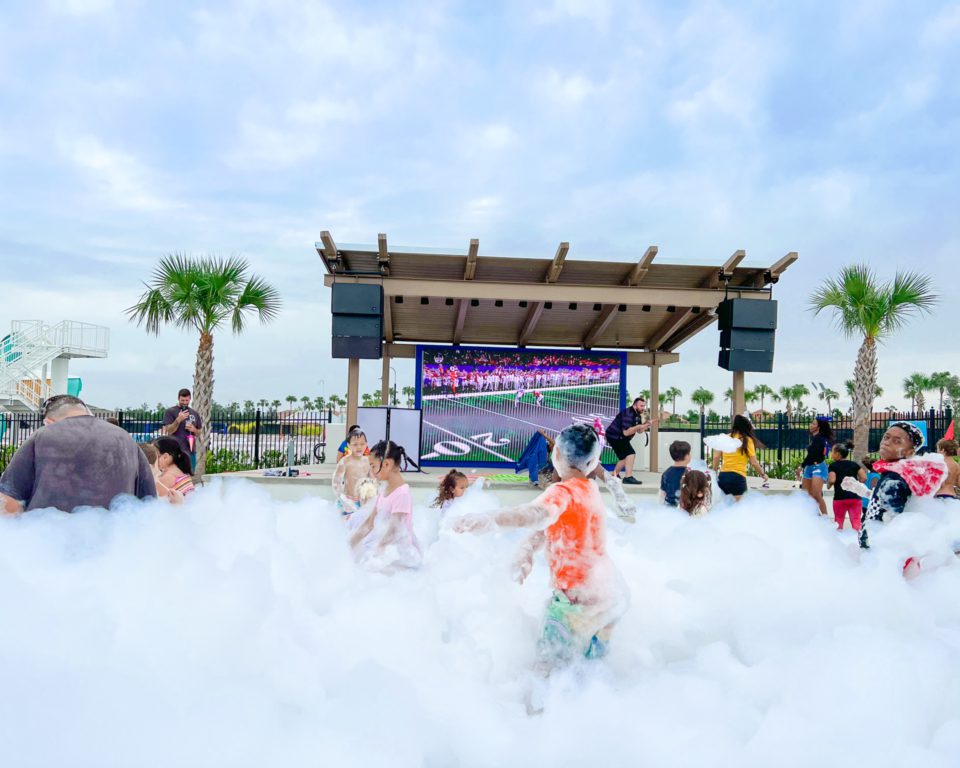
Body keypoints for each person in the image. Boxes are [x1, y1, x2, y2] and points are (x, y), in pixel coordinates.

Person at [455, 424, 628, 678]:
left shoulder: (562, 491)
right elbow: (554, 524)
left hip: (574, 603)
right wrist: (526, 551)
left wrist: (488, 520)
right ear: (592, 463)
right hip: (609, 598)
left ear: (555, 454)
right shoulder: (588, 490)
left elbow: (536, 515)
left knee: (544, 675)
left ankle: (534, 714)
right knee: (589, 674)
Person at [0, 395, 156, 513]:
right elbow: (149, 502)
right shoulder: (125, 438)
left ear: (48, 422)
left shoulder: (42, 436)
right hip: (112, 547)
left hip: (50, 544)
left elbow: (9, 501)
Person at [842, 422, 947, 549]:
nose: (887, 442)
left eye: (897, 441)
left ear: (909, 452)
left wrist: (873, 544)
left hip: (879, 549)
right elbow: (883, 502)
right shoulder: (895, 474)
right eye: (886, 437)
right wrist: (862, 491)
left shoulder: (894, 479)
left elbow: (892, 520)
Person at [348, 440, 421, 570]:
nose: (371, 471)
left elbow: (394, 531)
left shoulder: (402, 494)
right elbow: (369, 524)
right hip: (388, 553)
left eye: (373, 466)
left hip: (401, 557)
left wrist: (376, 555)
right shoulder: (384, 490)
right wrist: (348, 546)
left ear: (386, 464)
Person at [711, 414, 768, 501]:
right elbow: (753, 462)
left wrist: (714, 473)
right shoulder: (747, 440)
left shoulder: (725, 438)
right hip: (738, 478)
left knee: (723, 508)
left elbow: (716, 457)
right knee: (739, 510)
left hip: (723, 477)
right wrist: (763, 474)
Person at [605, 397, 656, 485]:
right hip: (615, 436)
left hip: (619, 436)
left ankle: (614, 475)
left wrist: (646, 425)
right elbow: (626, 432)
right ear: (635, 405)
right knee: (630, 453)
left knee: (625, 457)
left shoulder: (637, 415)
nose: (643, 408)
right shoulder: (628, 414)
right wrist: (639, 426)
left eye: (644, 406)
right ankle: (628, 477)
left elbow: (639, 431)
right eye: (641, 406)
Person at [333, 429, 374, 516]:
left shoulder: (368, 462)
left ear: (366, 444)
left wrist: (371, 499)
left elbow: (373, 482)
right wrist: (344, 501)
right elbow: (336, 484)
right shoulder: (345, 461)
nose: (359, 447)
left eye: (362, 444)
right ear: (348, 445)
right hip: (347, 501)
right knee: (345, 527)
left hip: (362, 502)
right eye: (355, 444)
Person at [161, 388, 202, 474]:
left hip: (190, 451)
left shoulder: (194, 413)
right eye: (182, 400)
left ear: (190, 399)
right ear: (178, 398)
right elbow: (169, 430)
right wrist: (178, 420)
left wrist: (194, 429)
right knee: (175, 476)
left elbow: (199, 433)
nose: (184, 402)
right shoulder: (170, 412)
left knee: (189, 476)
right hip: (175, 452)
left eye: (186, 400)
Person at [827, 441, 865, 531]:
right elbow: (864, 477)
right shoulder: (854, 464)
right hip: (855, 498)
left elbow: (832, 479)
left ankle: (839, 542)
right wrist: (856, 484)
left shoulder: (833, 466)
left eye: (832, 452)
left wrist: (828, 485)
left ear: (838, 454)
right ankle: (857, 541)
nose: (831, 454)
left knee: (838, 521)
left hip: (840, 498)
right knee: (856, 521)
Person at [800, 417, 834, 516]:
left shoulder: (820, 438)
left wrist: (801, 466)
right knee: (807, 495)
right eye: (811, 423)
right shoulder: (815, 438)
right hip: (809, 467)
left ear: (819, 427)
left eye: (814, 424)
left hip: (818, 467)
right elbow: (811, 455)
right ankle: (815, 517)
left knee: (816, 495)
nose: (811, 425)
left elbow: (813, 455)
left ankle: (824, 517)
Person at [660, 440, 691, 507]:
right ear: (686, 456)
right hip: (685, 507)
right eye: (689, 453)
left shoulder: (666, 473)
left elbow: (662, 493)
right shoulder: (690, 474)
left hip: (669, 507)